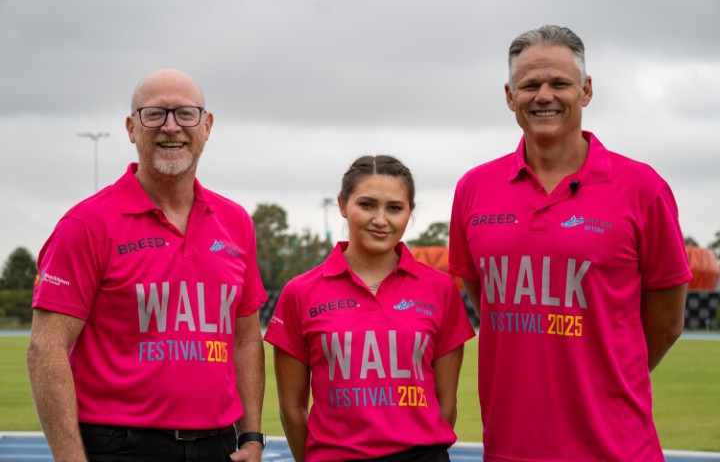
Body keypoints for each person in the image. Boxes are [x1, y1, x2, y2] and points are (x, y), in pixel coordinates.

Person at [448, 25, 692, 461]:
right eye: (530, 85)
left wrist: (609, 377)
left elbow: (668, 322)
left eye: (559, 83)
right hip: (509, 449)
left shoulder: (643, 187)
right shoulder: (473, 188)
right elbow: (484, 300)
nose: (544, 95)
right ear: (509, 95)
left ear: (586, 90)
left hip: (616, 449)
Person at [26, 68, 267, 462]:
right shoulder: (86, 225)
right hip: (120, 447)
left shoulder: (236, 222)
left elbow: (244, 338)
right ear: (131, 128)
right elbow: (46, 348)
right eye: (154, 114)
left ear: (207, 126)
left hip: (218, 446)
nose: (171, 127)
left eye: (185, 114)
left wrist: (252, 438)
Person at [265, 155, 475, 462]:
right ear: (342, 205)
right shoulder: (300, 292)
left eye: (394, 208)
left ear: (409, 213)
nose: (380, 219)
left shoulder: (441, 289)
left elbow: (446, 404)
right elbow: (292, 410)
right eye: (366, 205)